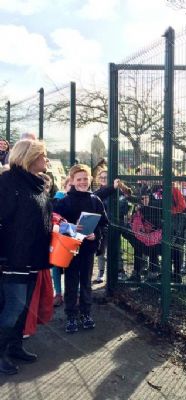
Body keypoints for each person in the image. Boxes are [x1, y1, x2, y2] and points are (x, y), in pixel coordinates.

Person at [0, 139, 52, 375]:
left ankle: (14, 347)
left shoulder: (39, 184)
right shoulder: (7, 182)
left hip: (33, 257)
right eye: (43, 155)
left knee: (23, 309)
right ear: (29, 157)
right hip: (13, 258)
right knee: (12, 308)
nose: (46, 160)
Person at [53, 164, 108, 333]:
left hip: (88, 248)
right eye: (79, 179)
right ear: (72, 180)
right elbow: (55, 224)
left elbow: (104, 224)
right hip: (69, 249)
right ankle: (71, 315)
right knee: (70, 281)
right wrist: (69, 227)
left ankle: (85, 313)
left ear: (90, 179)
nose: (83, 182)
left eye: (86, 178)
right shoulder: (63, 202)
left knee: (85, 282)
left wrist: (96, 235)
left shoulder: (95, 200)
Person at [93, 169, 131, 283]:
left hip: (115, 224)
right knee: (101, 250)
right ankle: (101, 272)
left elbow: (124, 206)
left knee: (116, 249)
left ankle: (120, 271)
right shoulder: (97, 192)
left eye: (106, 177)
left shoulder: (117, 193)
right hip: (101, 225)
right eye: (101, 177)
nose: (103, 179)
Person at [52, 177, 72, 307]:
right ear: (65, 186)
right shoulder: (58, 198)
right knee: (56, 266)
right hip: (58, 237)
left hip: (74, 237)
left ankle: (72, 293)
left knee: (73, 267)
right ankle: (58, 293)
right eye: (70, 185)